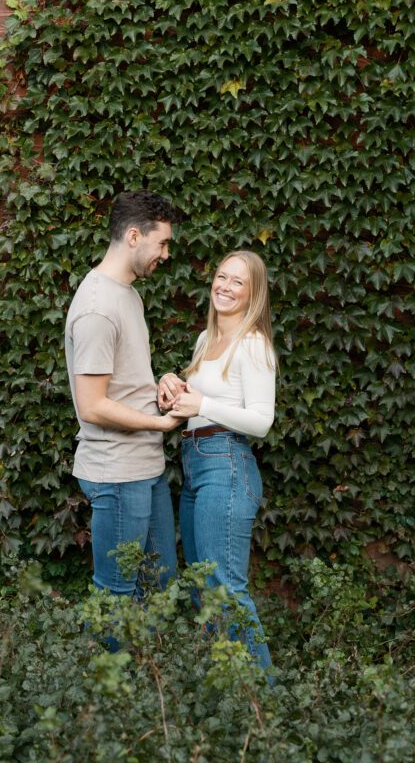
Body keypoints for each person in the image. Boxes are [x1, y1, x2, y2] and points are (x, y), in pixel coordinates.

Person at [158, 250, 276, 674]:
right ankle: (228, 698)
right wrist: (172, 386)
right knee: (204, 590)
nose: (224, 286)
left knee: (224, 589)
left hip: (226, 465)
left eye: (237, 282)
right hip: (196, 465)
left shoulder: (254, 344)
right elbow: (196, 407)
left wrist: (202, 401)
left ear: (253, 294)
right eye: (221, 277)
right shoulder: (206, 340)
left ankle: (265, 705)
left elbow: (262, 421)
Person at [65, 190, 182, 598]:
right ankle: (113, 666)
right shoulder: (97, 308)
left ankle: (149, 665)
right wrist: (160, 422)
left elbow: (124, 383)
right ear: (134, 236)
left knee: (159, 585)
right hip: (116, 474)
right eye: (162, 242)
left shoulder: (127, 295)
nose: (166, 254)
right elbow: (93, 405)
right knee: (118, 593)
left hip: (144, 468)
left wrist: (160, 384)